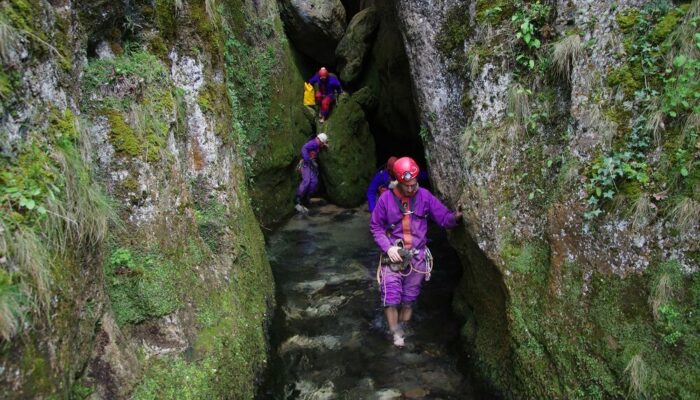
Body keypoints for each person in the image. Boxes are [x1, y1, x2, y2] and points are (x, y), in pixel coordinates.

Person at [369, 156, 462, 347]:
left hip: (418, 257)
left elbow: (444, 218)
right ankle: (396, 335)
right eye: (406, 185)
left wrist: (457, 218)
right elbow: (376, 227)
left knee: (409, 300)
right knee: (390, 298)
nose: (411, 188)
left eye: (413, 184)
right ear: (398, 181)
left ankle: (403, 327)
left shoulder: (425, 196)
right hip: (394, 255)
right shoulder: (386, 199)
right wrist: (388, 247)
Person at [295, 133, 329, 213]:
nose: (322, 144)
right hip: (305, 164)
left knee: (314, 182)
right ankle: (298, 199)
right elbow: (304, 148)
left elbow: (320, 146)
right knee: (306, 180)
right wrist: (309, 160)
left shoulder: (317, 144)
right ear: (319, 140)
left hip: (311, 165)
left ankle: (306, 197)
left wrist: (325, 145)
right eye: (322, 143)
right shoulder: (313, 143)